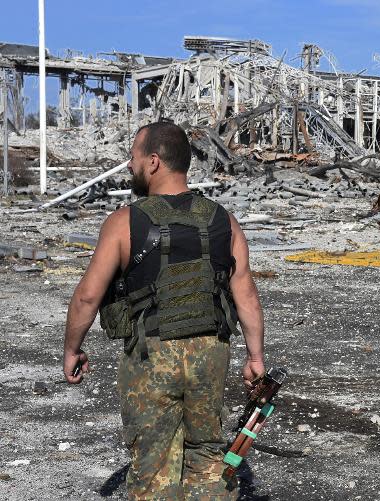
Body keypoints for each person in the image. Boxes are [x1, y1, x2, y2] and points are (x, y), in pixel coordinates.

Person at [62, 121, 266, 499]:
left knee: (153, 466)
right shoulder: (224, 221)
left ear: (153, 162)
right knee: (208, 459)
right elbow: (246, 293)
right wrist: (255, 357)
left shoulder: (124, 223)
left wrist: (72, 348)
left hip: (151, 354)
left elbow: (87, 297)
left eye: (134, 157)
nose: (128, 165)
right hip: (210, 350)